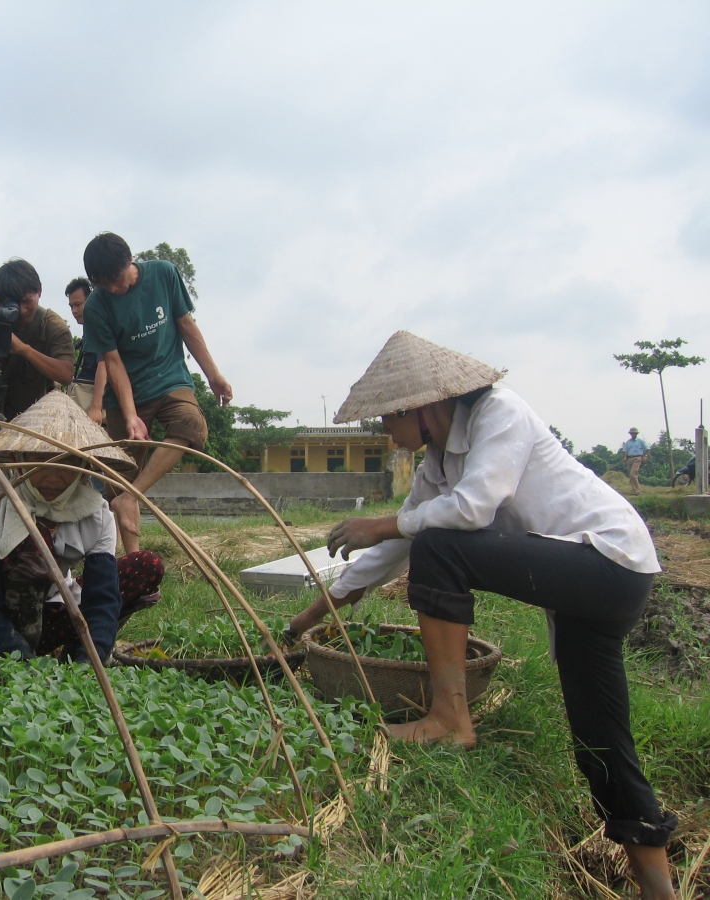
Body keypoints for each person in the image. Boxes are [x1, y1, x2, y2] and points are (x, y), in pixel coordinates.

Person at [283, 331, 676, 898]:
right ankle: (658, 887)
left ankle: (449, 719)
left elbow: (470, 511)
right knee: (600, 742)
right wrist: (305, 621)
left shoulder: (500, 414)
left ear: (420, 408)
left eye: (385, 419)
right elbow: (390, 554)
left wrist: (383, 522)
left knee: (441, 544)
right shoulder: (438, 462)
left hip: (609, 562)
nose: (382, 432)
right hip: (581, 590)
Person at [0, 391, 164, 661]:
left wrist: (89, 660)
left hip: (54, 614)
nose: (53, 475)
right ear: (19, 460)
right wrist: (17, 660)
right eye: (41, 461)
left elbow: (102, 599)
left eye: (66, 462)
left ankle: (76, 655)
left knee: (146, 565)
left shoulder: (97, 514)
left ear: (84, 465)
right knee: (33, 540)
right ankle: (17, 653)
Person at [80, 233, 232, 554]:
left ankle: (132, 495)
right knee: (118, 473)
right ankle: (131, 559)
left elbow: (187, 327)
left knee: (192, 423)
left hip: (169, 379)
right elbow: (114, 363)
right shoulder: (96, 305)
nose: (113, 289)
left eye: (117, 280)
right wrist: (131, 414)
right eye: (104, 284)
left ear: (130, 262)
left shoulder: (164, 273)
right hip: (126, 394)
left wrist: (213, 375)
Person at [0, 258, 75, 420]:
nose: (22, 311)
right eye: (14, 305)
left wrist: (24, 350)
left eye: (27, 301)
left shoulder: (53, 326)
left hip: (35, 421)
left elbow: (66, 375)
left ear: (39, 290)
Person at [64, 276, 107, 420]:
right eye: (71, 306)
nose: (74, 311)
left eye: (78, 304)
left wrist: (96, 407)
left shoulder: (98, 327)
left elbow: (104, 364)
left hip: (93, 400)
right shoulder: (88, 329)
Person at [622, 427, 650, 495]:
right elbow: (626, 451)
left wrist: (645, 456)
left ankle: (637, 491)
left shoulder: (640, 441)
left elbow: (648, 449)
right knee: (631, 475)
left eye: (634, 433)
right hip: (630, 458)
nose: (632, 434)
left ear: (636, 434)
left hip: (637, 458)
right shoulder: (628, 442)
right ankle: (635, 490)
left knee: (633, 474)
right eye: (631, 433)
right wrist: (625, 457)